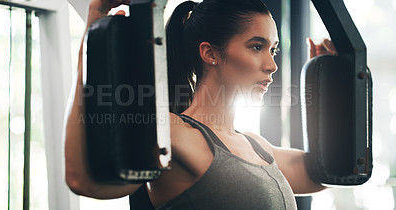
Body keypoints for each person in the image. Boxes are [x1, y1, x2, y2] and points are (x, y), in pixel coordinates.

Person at [64, 0, 337, 209]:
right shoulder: (174, 132)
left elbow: (328, 172)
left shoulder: (258, 147)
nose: (272, 65)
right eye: (256, 47)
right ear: (209, 53)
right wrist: (94, 28)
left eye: (273, 49)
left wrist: (332, 83)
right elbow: (83, 180)